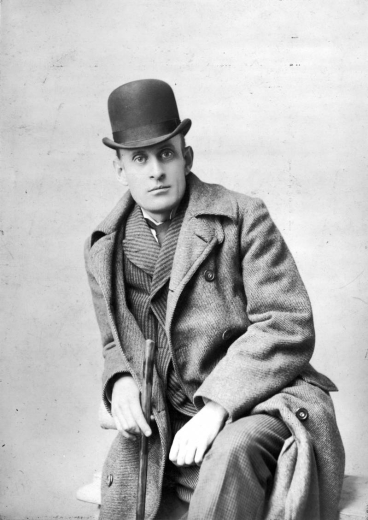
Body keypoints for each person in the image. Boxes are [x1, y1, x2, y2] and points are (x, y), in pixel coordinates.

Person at [84, 79, 345, 520]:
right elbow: (114, 343)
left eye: (166, 154)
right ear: (119, 169)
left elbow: (287, 323)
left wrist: (218, 406)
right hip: (170, 420)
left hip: (264, 402)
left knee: (230, 454)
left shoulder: (242, 216)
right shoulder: (103, 249)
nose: (155, 171)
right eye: (139, 159)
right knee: (128, 484)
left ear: (186, 157)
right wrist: (121, 382)